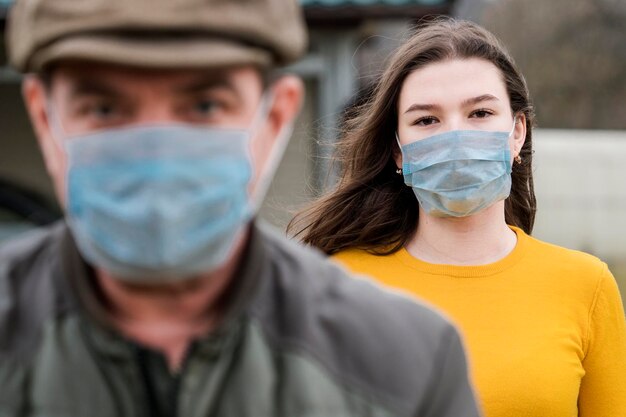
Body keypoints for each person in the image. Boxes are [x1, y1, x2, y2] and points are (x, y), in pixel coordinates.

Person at [0, 2, 481, 416]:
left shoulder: (404, 364)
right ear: (45, 120)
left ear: (275, 118)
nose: (161, 152)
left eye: (205, 106)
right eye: (105, 109)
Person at [289, 18, 626, 417]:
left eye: (480, 113)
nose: (455, 137)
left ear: (517, 131)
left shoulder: (585, 287)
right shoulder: (338, 287)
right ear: (398, 151)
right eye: (426, 120)